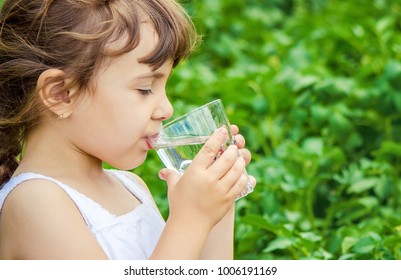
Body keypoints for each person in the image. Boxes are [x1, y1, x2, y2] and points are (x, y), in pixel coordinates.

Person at [0, 0, 255, 260]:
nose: (166, 109)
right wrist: (192, 219)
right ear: (60, 94)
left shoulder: (132, 187)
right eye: (144, 88)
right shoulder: (36, 203)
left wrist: (218, 207)